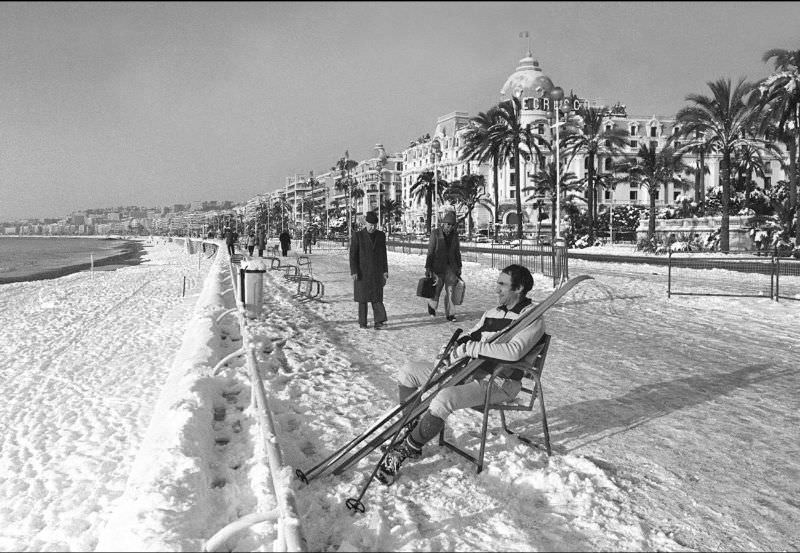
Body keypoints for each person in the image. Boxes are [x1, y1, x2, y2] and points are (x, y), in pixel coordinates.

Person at [377, 264, 545, 485]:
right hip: (470, 371)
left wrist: (473, 349)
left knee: (444, 397)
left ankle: (406, 449)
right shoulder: (492, 313)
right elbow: (470, 336)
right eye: (497, 283)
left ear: (519, 288)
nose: (497, 289)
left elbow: (513, 352)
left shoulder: (532, 318)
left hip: (500, 382)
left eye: (502, 284)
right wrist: (449, 350)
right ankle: (413, 429)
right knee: (409, 372)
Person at [350, 211, 389, 330]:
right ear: (366, 223)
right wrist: (354, 271)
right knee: (363, 299)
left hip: (377, 272)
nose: (373, 227)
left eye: (375, 225)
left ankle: (379, 321)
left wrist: (385, 271)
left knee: (377, 297)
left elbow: (383, 254)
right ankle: (363, 322)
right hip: (362, 272)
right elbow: (353, 255)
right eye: (370, 224)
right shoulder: (358, 235)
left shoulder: (381, 235)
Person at [425, 210, 462, 322]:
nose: (450, 227)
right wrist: (428, 267)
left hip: (451, 267)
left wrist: (459, 266)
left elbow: (457, 252)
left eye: (452, 225)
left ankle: (450, 314)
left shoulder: (455, 236)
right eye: (448, 224)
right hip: (437, 267)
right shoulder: (435, 233)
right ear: (443, 223)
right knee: (436, 289)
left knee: (451, 290)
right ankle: (431, 306)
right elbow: (430, 251)